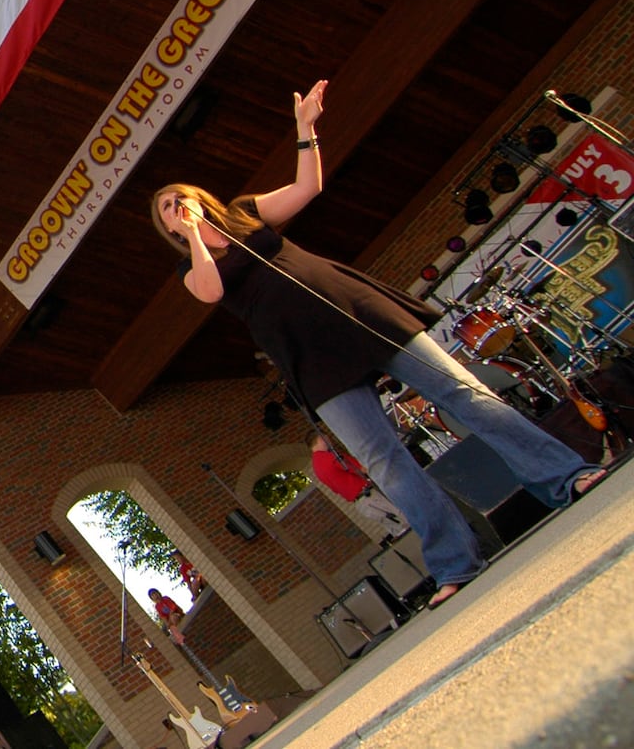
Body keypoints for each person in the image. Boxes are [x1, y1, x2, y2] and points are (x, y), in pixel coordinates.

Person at [150, 79, 606, 609]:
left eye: (179, 197)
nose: (175, 206)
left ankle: (566, 478)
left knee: (465, 394)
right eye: (165, 210)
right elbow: (211, 292)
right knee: (384, 460)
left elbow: (306, 189)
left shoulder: (247, 211)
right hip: (309, 355)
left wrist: (305, 131)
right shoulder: (190, 268)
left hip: (358, 313)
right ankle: (456, 564)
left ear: (200, 196)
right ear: (169, 229)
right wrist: (199, 240)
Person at [310, 432, 408, 540]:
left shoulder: (316, 467)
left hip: (361, 503)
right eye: (327, 439)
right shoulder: (331, 456)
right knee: (404, 517)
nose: (330, 442)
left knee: (398, 530)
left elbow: (335, 488)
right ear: (320, 439)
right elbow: (360, 469)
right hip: (370, 494)